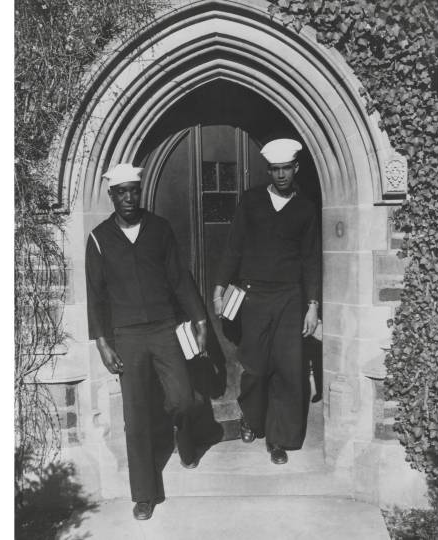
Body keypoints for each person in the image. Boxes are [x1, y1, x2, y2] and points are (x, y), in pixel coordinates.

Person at [86, 163, 222, 520]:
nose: (129, 197)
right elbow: (96, 296)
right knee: (136, 415)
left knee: (181, 397)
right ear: (111, 195)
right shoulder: (99, 239)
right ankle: (145, 493)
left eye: (134, 190)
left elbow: (180, 278)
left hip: (163, 329)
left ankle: (183, 429)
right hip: (126, 336)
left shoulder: (159, 229)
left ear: (139, 191)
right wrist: (102, 341)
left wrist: (200, 318)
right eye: (121, 192)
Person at [212, 138, 321, 465]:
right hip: (253, 295)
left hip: (290, 297)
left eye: (286, 168)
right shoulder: (251, 201)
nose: (281, 174)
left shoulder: (306, 208)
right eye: (275, 169)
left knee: (288, 370)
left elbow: (311, 259)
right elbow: (233, 247)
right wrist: (219, 288)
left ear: (295, 168)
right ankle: (251, 416)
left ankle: (278, 440)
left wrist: (312, 304)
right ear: (269, 171)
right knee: (256, 367)